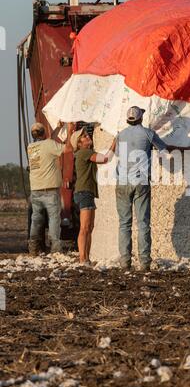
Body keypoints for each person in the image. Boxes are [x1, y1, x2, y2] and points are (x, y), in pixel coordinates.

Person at [115, 106, 169, 272]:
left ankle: (125, 263)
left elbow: (119, 155)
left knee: (124, 224)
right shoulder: (148, 133)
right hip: (141, 181)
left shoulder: (120, 135)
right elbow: (164, 149)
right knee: (143, 223)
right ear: (140, 118)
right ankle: (144, 263)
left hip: (122, 181)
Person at [70, 127, 116, 265]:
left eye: (86, 134)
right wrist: (115, 142)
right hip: (85, 192)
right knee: (85, 228)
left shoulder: (81, 153)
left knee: (89, 227)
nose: (87, 136)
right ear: (79, 143)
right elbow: (105, 158)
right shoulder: (84, 152)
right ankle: (83, 259)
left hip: (84, 193)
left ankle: (86, 258)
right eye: (83, 136)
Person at [27, 121, 73, 255]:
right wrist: (69, 131)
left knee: (36, 219)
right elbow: (68, 149)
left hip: (35, 189)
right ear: (44, 133)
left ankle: (33, 248)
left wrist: (58, 127)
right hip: (50, 190)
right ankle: (55, 249)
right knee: (54, 219)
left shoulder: (31, 147)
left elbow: (48, 142)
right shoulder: (49, 145)